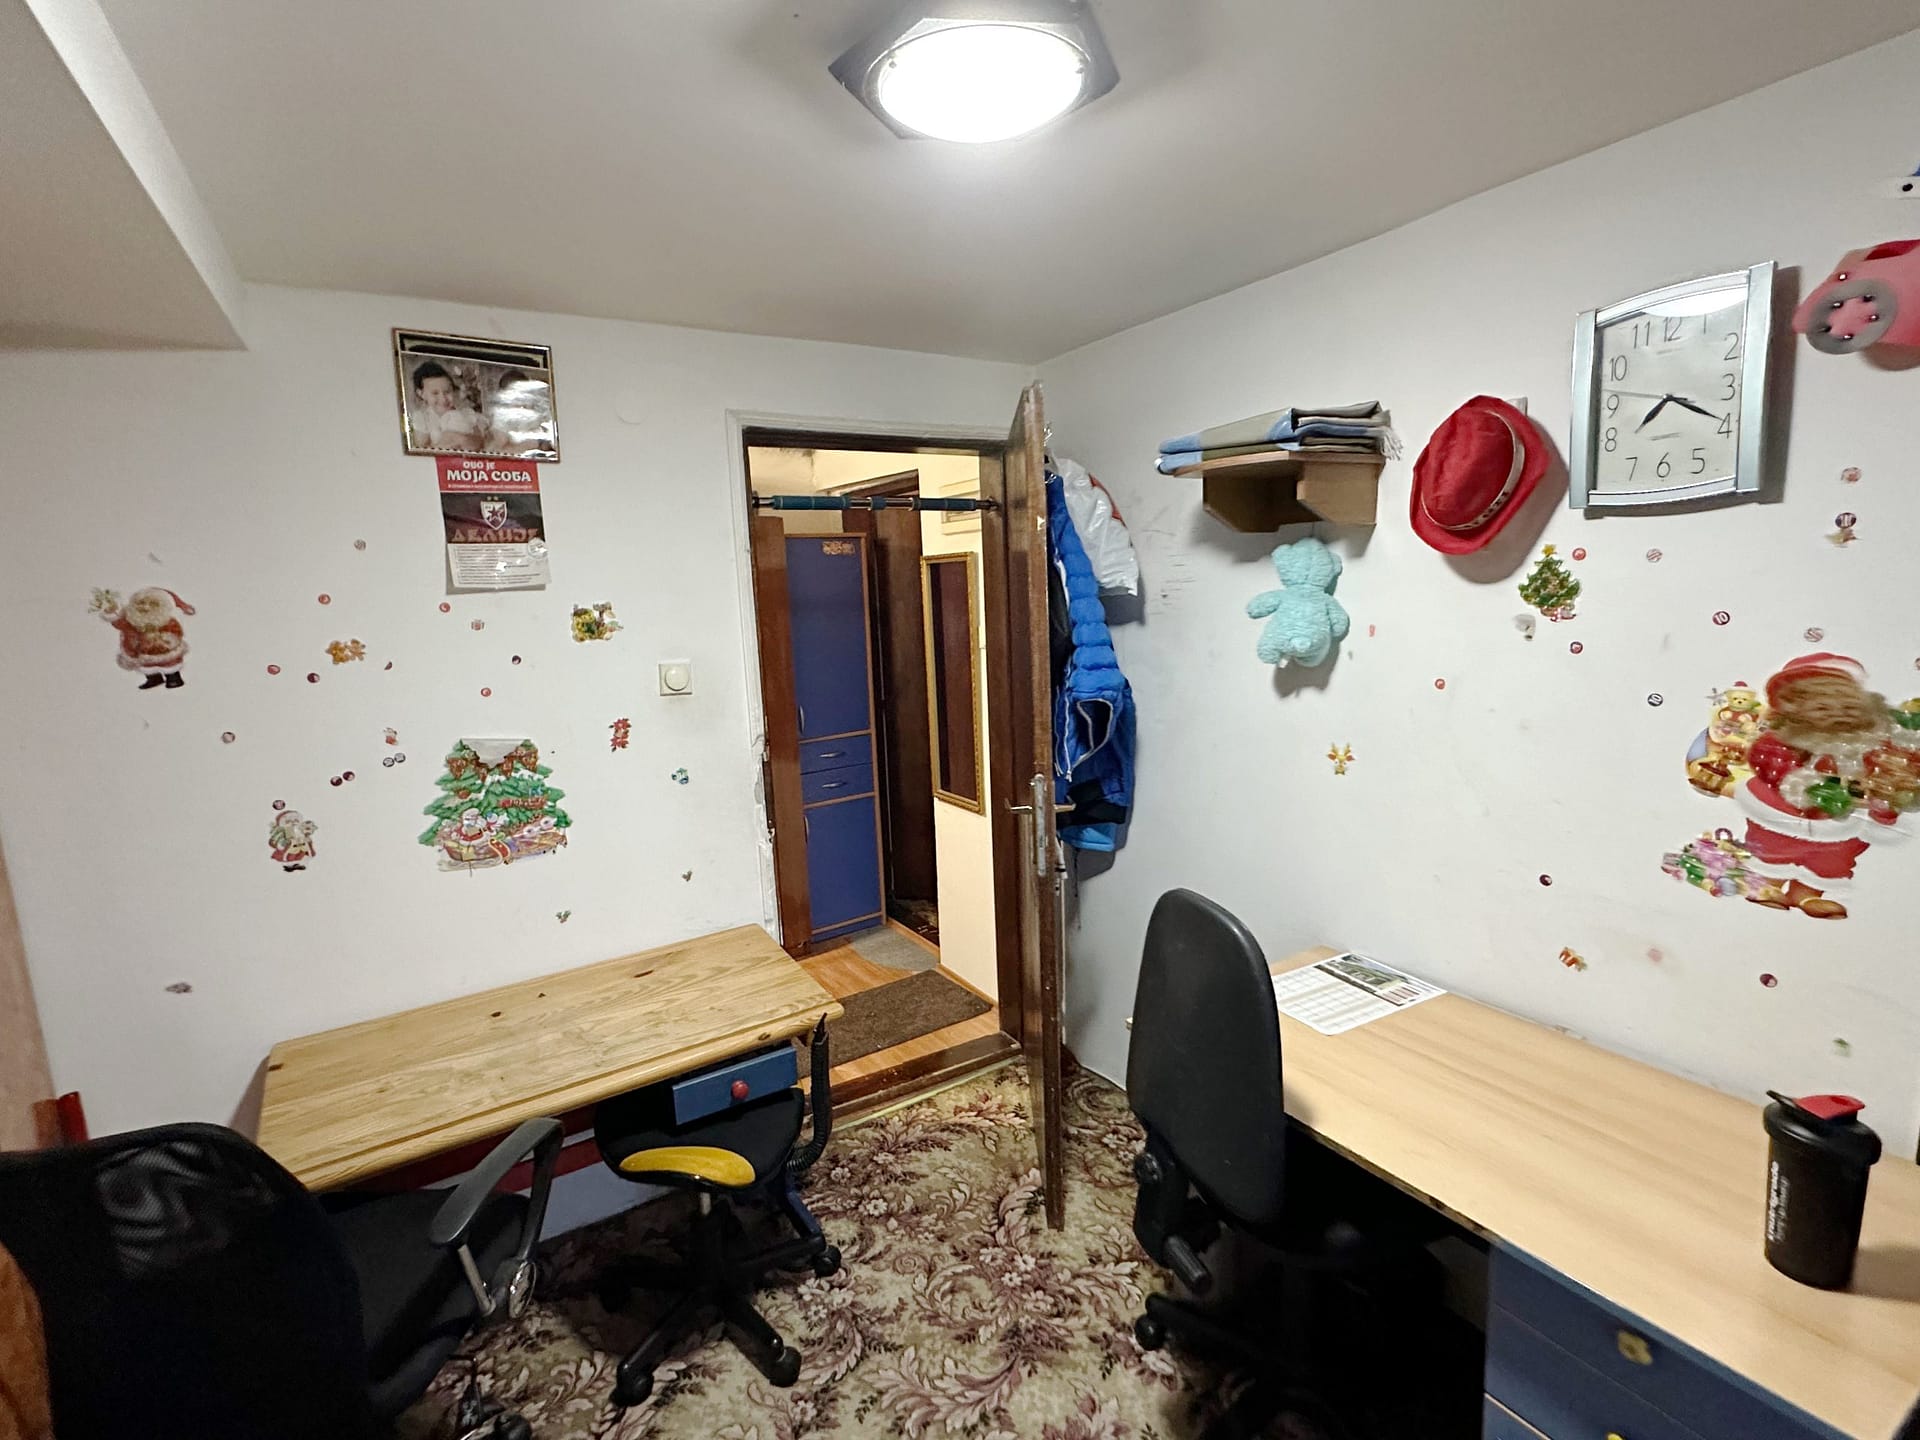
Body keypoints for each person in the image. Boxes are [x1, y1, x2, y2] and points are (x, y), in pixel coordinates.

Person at [410, 360, 489, 451]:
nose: (443, 399)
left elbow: (480, 442)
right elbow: (421, 450)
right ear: (421, 394)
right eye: (435, 393)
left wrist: (459, 438)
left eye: (447, 392)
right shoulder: (422, 419)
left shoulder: (467, 414)